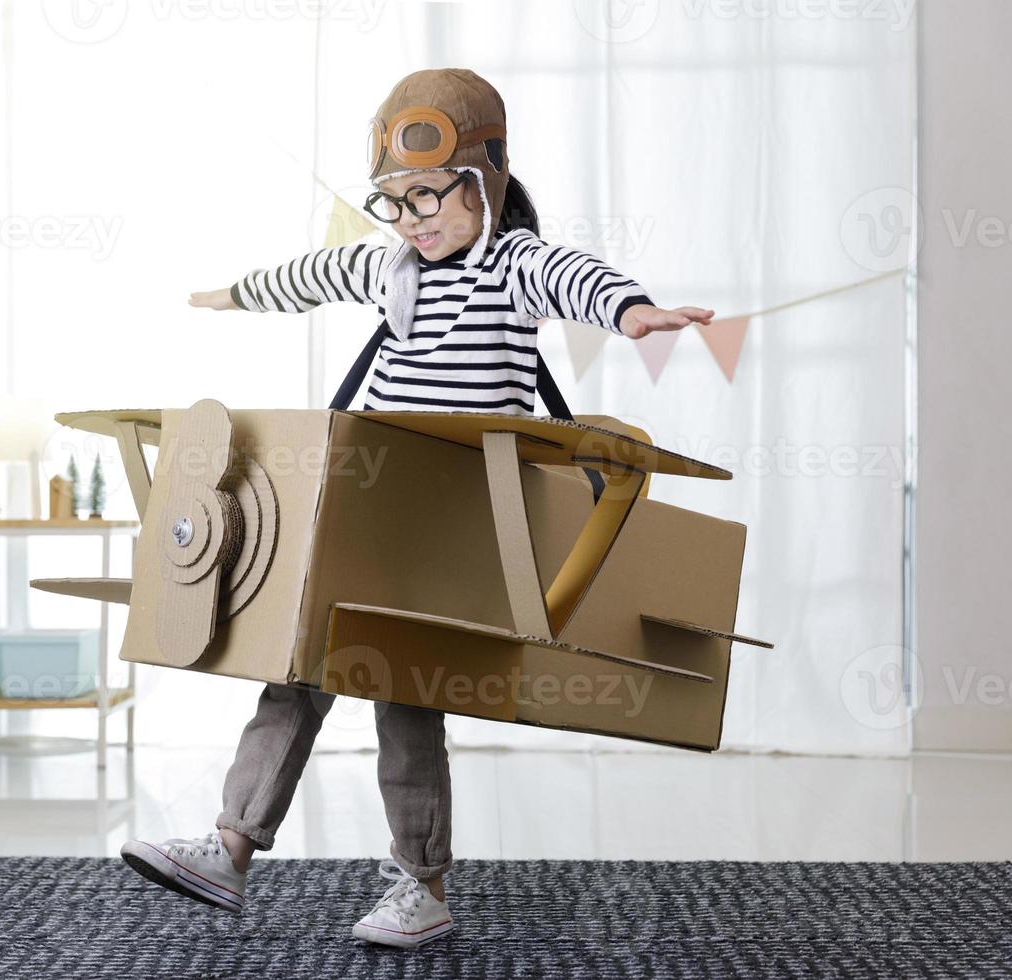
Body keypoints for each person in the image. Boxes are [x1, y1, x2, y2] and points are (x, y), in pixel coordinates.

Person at [120, 67, 714, 950]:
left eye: (432, 195)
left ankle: (419, 885)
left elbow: (574, 276)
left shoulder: (512, 264)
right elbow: (312, 273)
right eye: (396, 203)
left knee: (403, 692)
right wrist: (232, 294)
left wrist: (630, 312)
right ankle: (229, 846)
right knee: (298, 664)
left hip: (460, 521)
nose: (415, 218)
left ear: (485, 183)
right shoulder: (392, 265)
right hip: (370, 508)